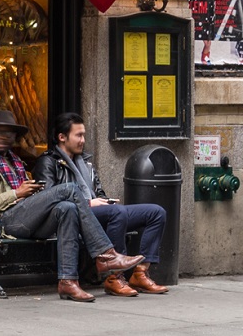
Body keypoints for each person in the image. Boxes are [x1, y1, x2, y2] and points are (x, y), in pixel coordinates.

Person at [0, 110, 144, 303]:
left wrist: (31, 194)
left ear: (14, 137)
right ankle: (106, 255)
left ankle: (68, 281)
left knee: (68, 208)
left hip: (27, 217)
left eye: (8, 133)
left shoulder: (16, 162)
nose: (3, 137)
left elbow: (30, 198)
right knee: (70, 189)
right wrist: (16, 193)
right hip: (2, 221)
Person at [33, 112, 168, 297]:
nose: (83, 140)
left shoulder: (85, 162)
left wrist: (105, 200)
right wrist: (89, 203)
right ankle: (114, 278)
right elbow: (48, 201)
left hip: (98, 213)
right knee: (117, 213)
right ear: (62, 137)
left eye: (84, 135)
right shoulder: (48, 162)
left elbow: (99, 192)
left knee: (156, 212)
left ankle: (140, 273)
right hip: (71, 216)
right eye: (78, 135)